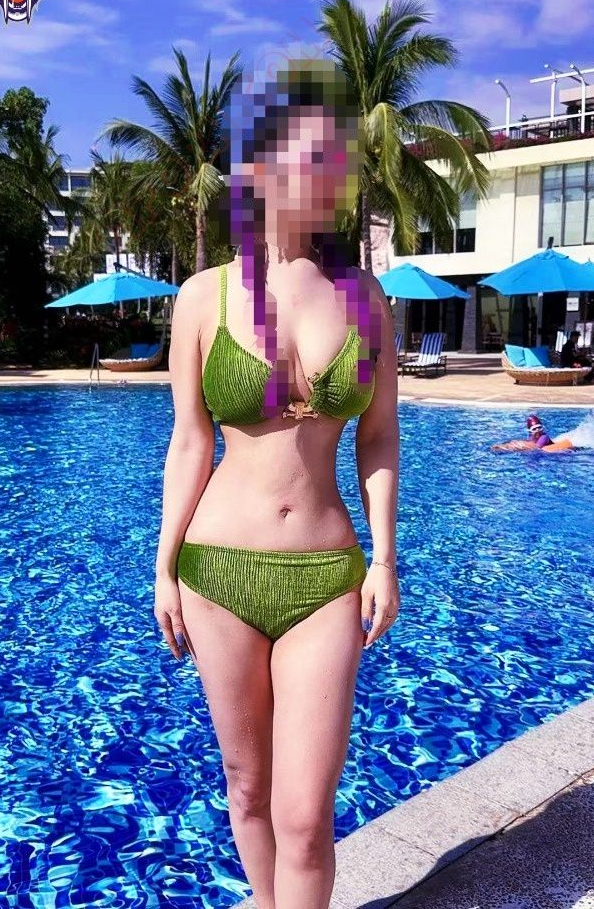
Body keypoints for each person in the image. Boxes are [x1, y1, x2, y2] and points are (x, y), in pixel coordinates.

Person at [154, 59, 400, 908]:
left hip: (325, 574)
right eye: (310, 156)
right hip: (216, 570)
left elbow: (378, 437)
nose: (327, 176)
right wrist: (163, 570)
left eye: (337, 159)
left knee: (303, 817)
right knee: (248, 789)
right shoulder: (202, 297)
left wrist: (384, 558)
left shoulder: (363, 297)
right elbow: (189, 443)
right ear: (256, 168)